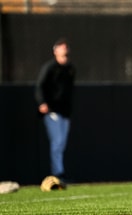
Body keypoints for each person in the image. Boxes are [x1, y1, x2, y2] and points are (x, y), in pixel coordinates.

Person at [35, 38, 76, 181]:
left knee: (62, 143)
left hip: (65, 111)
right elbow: (40, 86)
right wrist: (42, 103)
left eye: (66, 49)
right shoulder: (50, 68)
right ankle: (58, 172)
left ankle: (59, 171)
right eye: (62, 48)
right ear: (56, 51)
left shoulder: (70, 68)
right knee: (57, 141)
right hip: (52, 110)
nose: (65, 51)